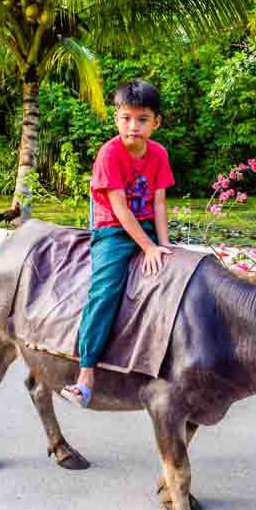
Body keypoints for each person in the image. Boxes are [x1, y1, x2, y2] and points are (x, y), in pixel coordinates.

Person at [60, 80, 175, 407]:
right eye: (126, 118)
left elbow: (159, 204)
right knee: (105, 290)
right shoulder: (109, 154)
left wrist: (163, 245)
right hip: (114, 230)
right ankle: (85, 374)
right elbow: (121, 209)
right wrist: (148, 247)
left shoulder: (159, 154)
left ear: (156, 122)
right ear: (116, 119)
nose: (133, 126)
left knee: (176, 277)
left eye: (142, 119)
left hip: (148, 229)